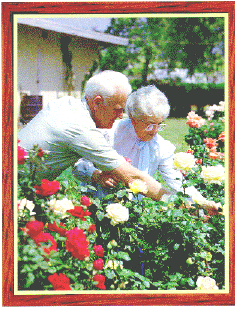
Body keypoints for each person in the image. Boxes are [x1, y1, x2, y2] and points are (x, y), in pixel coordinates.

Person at [18, 71, 174, 202]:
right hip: (11, 186)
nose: (121, 116)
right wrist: (179, 203)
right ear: (97, 102)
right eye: (117, 109)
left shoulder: (67, 104)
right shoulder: (82, 129)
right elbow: (133, 177)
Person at [74, 85, 221, 215]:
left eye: (160, 124)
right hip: (96, 206)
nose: (155, 131)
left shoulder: (160, 146)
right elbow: (78, 163)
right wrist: (96, 175)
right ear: (133, 119)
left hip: (134, 212)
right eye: (150, 124)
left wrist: (202, 202)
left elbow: (177, 180)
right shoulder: (110, 132)